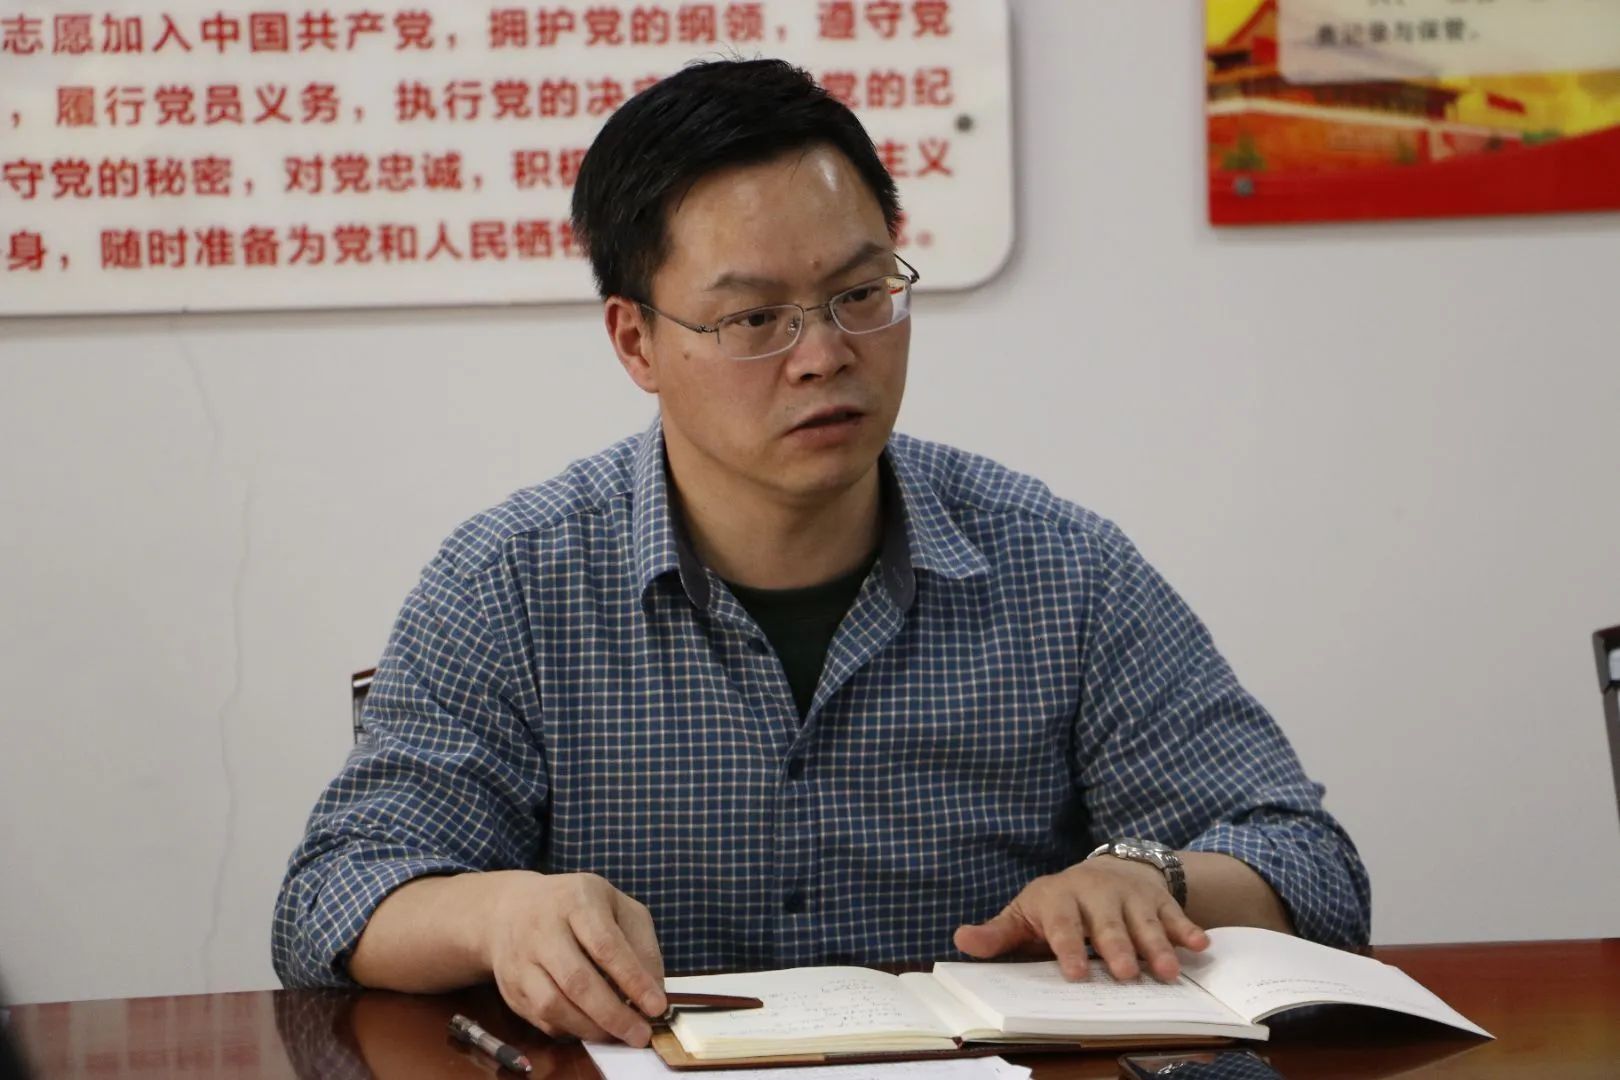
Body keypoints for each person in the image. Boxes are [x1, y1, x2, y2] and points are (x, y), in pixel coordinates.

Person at [273, 58, 1370, 1050]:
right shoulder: (511, 584)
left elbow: (1311, 865)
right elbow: (333, 897)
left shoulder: (1058, 568)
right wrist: (499, 912)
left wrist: (1149, 875)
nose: (827, 355)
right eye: (755, 319)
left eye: (861, 293)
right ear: (636, 341)